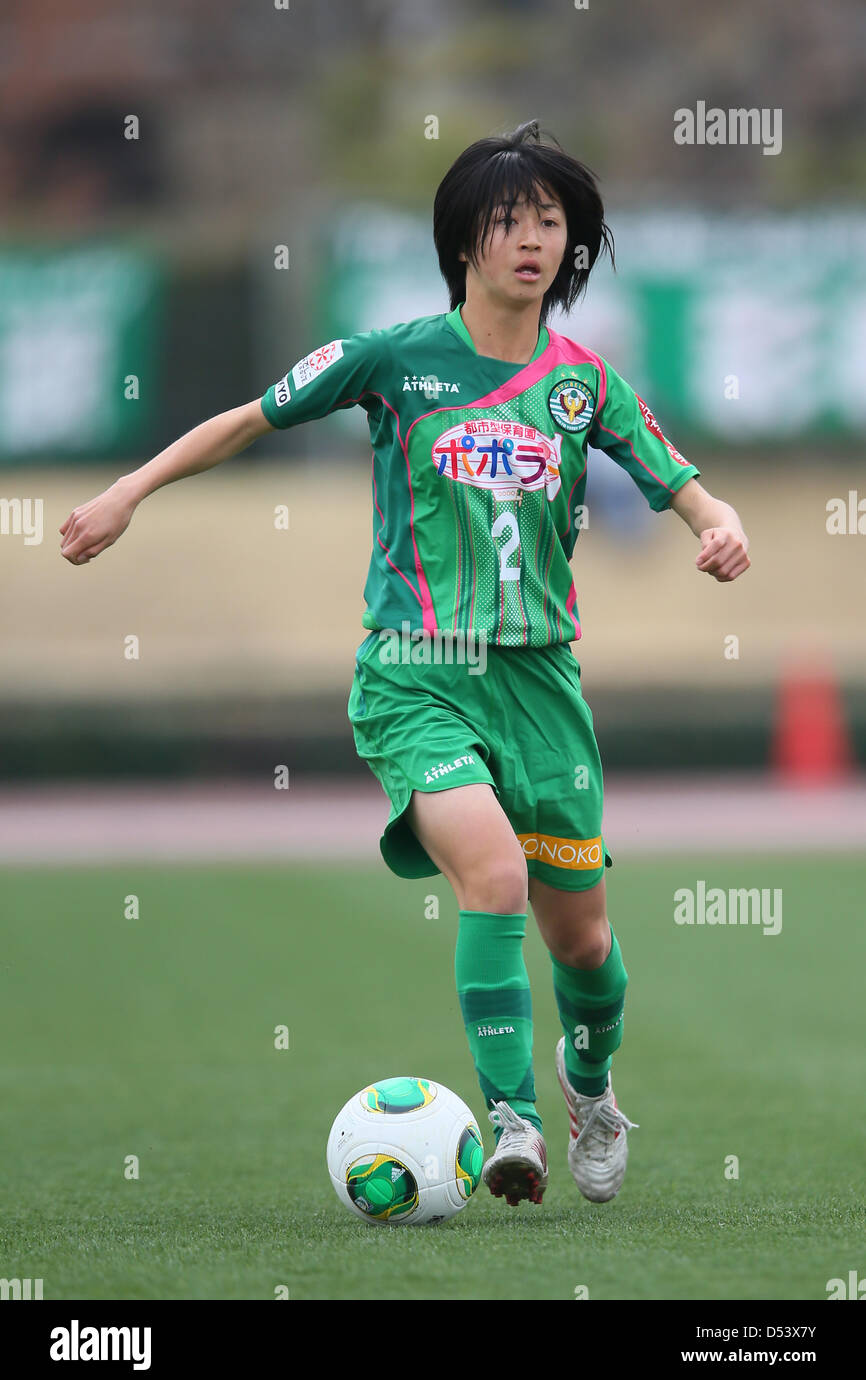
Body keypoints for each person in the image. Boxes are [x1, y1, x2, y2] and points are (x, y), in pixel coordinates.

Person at [60, 119, 750, 1210]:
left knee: (587, 950)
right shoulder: (393, 357)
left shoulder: (582, 383)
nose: (531, 240)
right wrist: (127, 492)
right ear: (463, 241)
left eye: (549, 222)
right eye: (507, 221)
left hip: (539, 683)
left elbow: (678, 479)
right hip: (414, 671)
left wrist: (716, 525)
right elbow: (248, 419)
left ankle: (587, 1085)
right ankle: (512, 1117)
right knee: (493, 873)